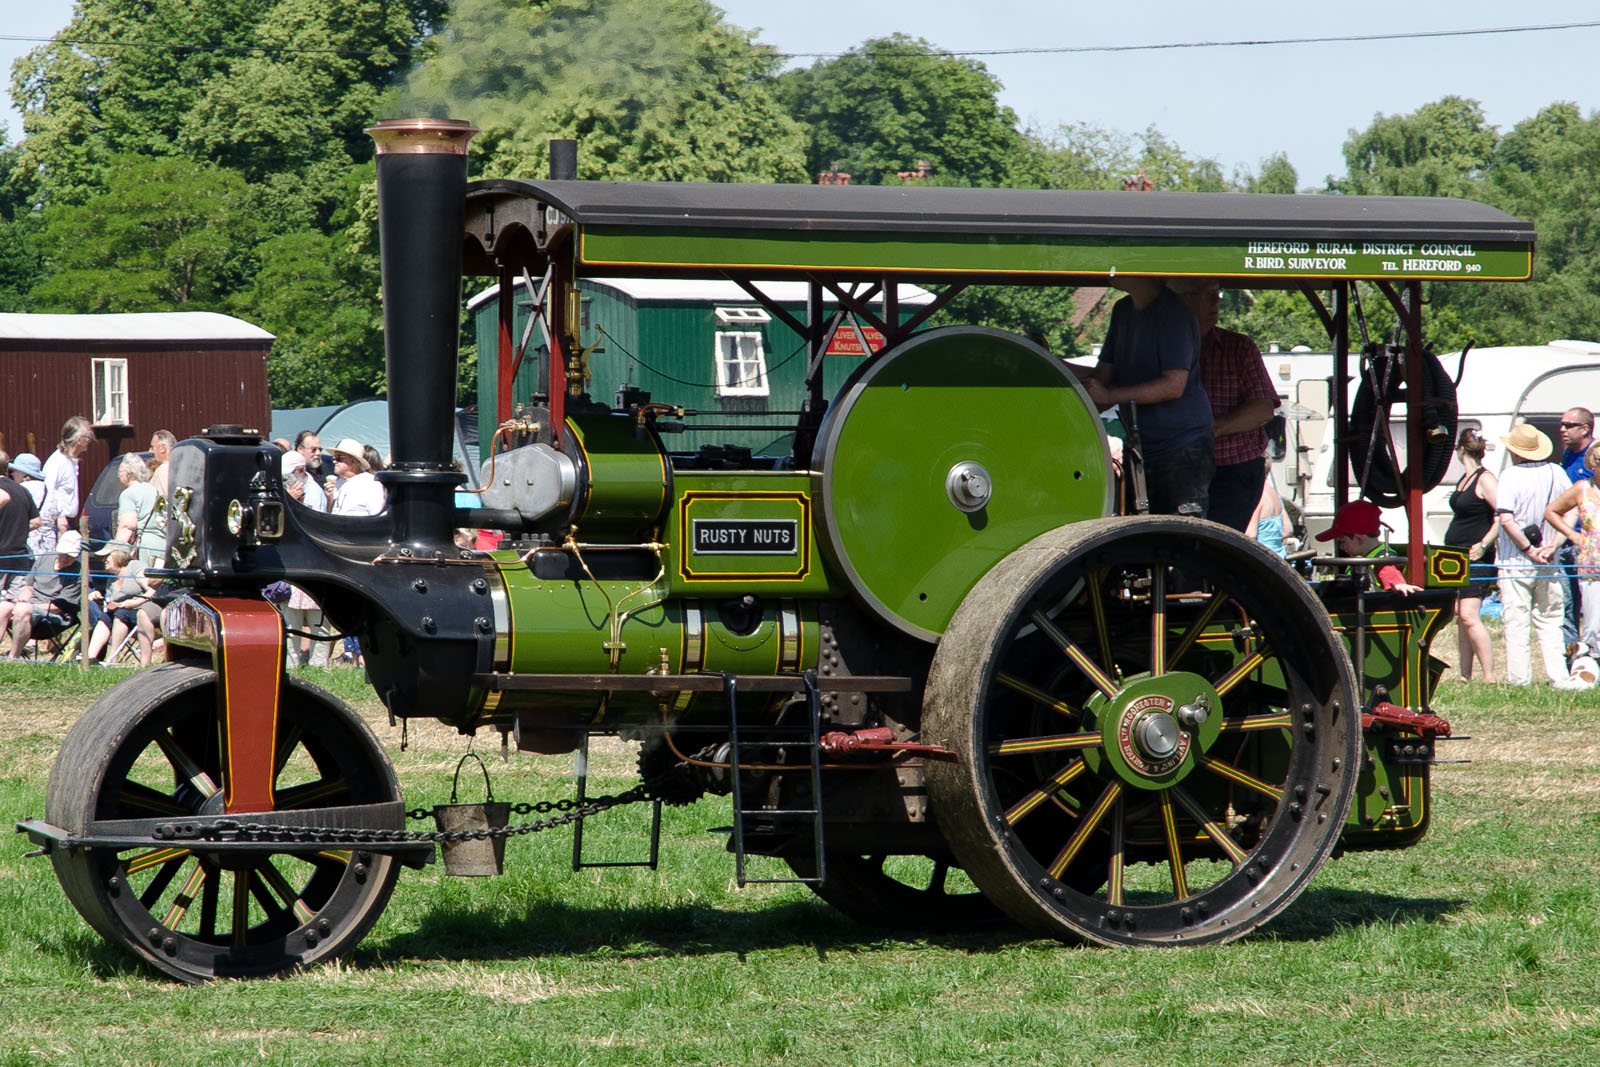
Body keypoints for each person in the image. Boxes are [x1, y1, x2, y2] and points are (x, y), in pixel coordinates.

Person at [1082, 277, 1212, 518]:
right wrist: (1050, 364)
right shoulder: (1122, 310)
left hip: (1180, 448)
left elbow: (1173, 385)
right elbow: (1102, 375)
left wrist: (1109, 394)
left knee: (1180, 531)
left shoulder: (1174, 314)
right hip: (1142, 446)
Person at [1171, 278, 1279, 532]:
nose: (1215, 304)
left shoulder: (1239, 347)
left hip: (1233, 469)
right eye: (1206, 295)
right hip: (1178, 467)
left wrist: (1211, 430)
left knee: (1221, 542)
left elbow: (1264, 407)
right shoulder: (1161, 348)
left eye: (1216, 295)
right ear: (1180, 301)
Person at [1495, 424, 1571, 686]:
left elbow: (1506, 519)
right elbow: (1571, 511)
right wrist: (1554, 545)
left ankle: (1520, 680)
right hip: (1550, 559)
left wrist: (1528, 548)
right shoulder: (1556, 472)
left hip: (1514, 560)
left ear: (1515, 452)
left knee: (1517, 621)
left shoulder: (1509, 476)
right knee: (1551, 620)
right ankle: (1558, 677)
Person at [1444, 428, 1499, 683]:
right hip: (1456, 557)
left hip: (1477, 557)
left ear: (1461, 450)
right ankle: (1465, 674)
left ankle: (1489, 675)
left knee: (1469, 614)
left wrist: (1484, 543)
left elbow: (1504, 514)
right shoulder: (1465, 479)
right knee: (1459, 616)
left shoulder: (1485, 479)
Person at [1544, 439, 1600, 674]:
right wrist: (1573, 535)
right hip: (1591, 566)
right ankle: (1592, 665)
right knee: (1593, 624)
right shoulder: (1582, 488)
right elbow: (1551, 511)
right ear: (1592, 462)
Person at [0, 530, 85, 659]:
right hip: (30, 607)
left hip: (55, 616)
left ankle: (13, 657)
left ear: (77, 555)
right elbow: (29, 586)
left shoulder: (78, 572)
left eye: (70, 556)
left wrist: (28, 606)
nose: (65, 558)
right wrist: (24, 595)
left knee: (23, 609)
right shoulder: (45, 558)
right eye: (63, 554)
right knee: (4, 607)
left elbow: (59, 607)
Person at [1315, 499, 1423, 594]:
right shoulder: (1358, 557)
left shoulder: (1382, 559)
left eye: (1342, 542)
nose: (1341, 548)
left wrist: (1398, 584)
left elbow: (1390, 574)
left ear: (1359, 538)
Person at [1555, 407, 1594, 658]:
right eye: (1562, 424)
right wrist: (1568, 534)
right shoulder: (1567, 455)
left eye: (1568, 425)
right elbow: (1556, 507)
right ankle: (1573, 660)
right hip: (1567, 541)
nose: (1562, 429)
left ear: (1585, 429)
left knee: (1592, 608)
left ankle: (1594, 659)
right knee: (1566, 606)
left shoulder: (1595, 458)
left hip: (1592, 547)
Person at [84, 544, 157, 666]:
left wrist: (134, 603)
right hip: (122, 612)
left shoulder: (134, 566)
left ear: (118, 555)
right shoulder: (112, 579)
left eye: (107, 556)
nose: (103, 560)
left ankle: (112, 658)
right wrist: (100, 599)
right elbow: (111, 603)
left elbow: (152, 590)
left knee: (120, 614)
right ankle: (89, 658)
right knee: (106, 616)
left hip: (143, 611)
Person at [38, 416, 93, 558]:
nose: (90, 440)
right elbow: (48, 493)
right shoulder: (58, 462)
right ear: (79, 439)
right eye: (88, 436)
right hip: (59, 525)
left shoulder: (71, 461)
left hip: (67, 523)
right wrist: (59, 519)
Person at [112, 453, 164, 567]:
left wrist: (116, 551)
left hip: (145, 548)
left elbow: (127, 526)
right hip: (162, 544)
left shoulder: (128, 494)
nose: (118, 476)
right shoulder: (155, 490)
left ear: (129, 474)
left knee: (143, 580)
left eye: (119, 472)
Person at [0, 451, 41, 595]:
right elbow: (36, 522)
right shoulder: (22, 490)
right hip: (18, 558)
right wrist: (19, 529)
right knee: (14, 606)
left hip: (1, 557)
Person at [328, 438, 385, 516]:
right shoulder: (338, 482)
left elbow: (379, 517)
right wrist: (330, 498)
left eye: (339, 458)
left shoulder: (371, 484)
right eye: (334, 457)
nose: (334, 461)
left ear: (353, 461)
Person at [1247, 461, 1289, 558]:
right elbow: (1288, 529)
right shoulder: (1275, 495)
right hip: (1280, 556)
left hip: (1263, 558)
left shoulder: (1257, 497)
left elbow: (1251, 534)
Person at [292, 431, 329, 513]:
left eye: (320, 449)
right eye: (314, 450)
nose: (318, 453)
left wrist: (330, 497)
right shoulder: (293, 472)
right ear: (300, 449)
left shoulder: (326, 470)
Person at [148, 429, 176, 500]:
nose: (150, 451)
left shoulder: (163, 470)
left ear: (163, 448)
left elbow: (167, 499)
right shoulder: (177, 467)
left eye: (152, 447)